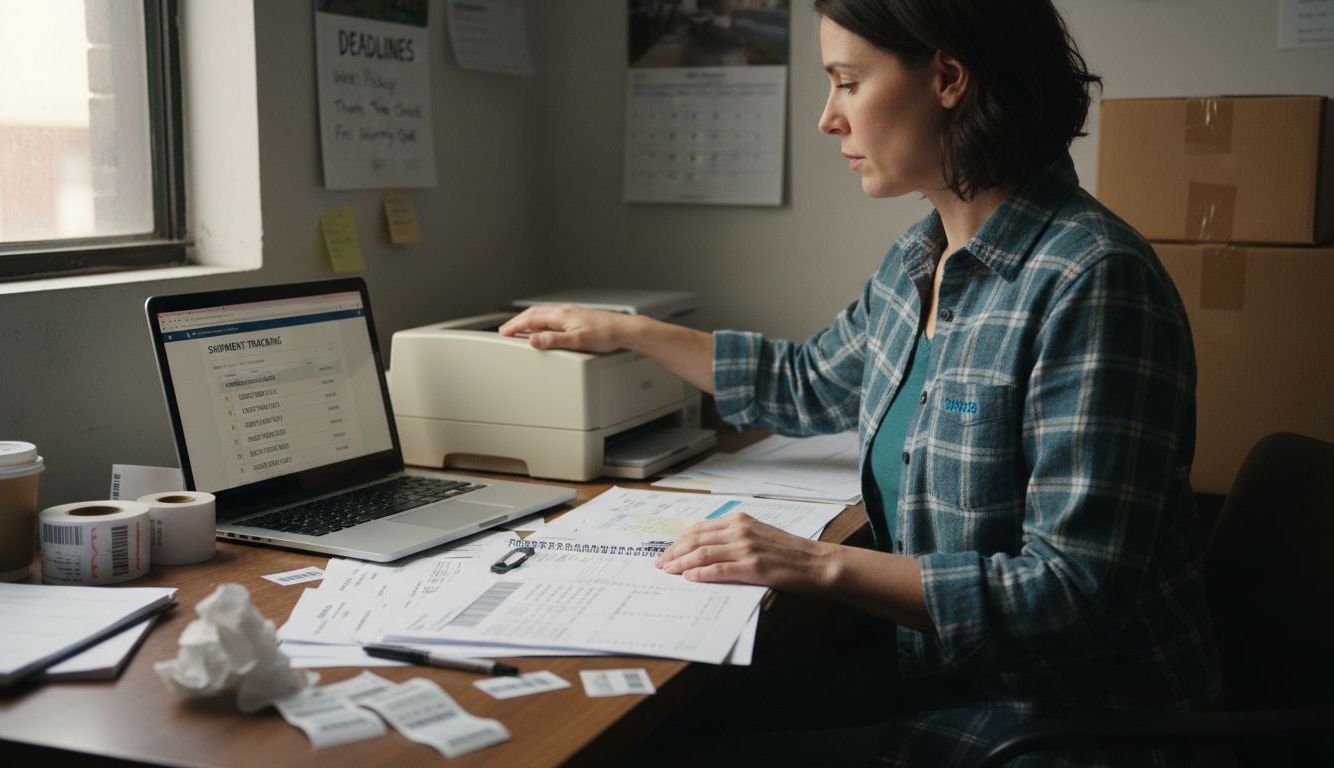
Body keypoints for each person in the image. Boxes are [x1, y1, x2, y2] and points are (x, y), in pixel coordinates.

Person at [500, 0, 1220, 764]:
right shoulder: (920, 259)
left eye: (845, 82)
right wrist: (630, 332)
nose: (827, 119)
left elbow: (1072, 595)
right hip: (940, 675)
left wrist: (817, 564)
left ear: (947, 77)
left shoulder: (1092, 281)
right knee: (674, 722)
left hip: (1053, 726)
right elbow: (808, 383)